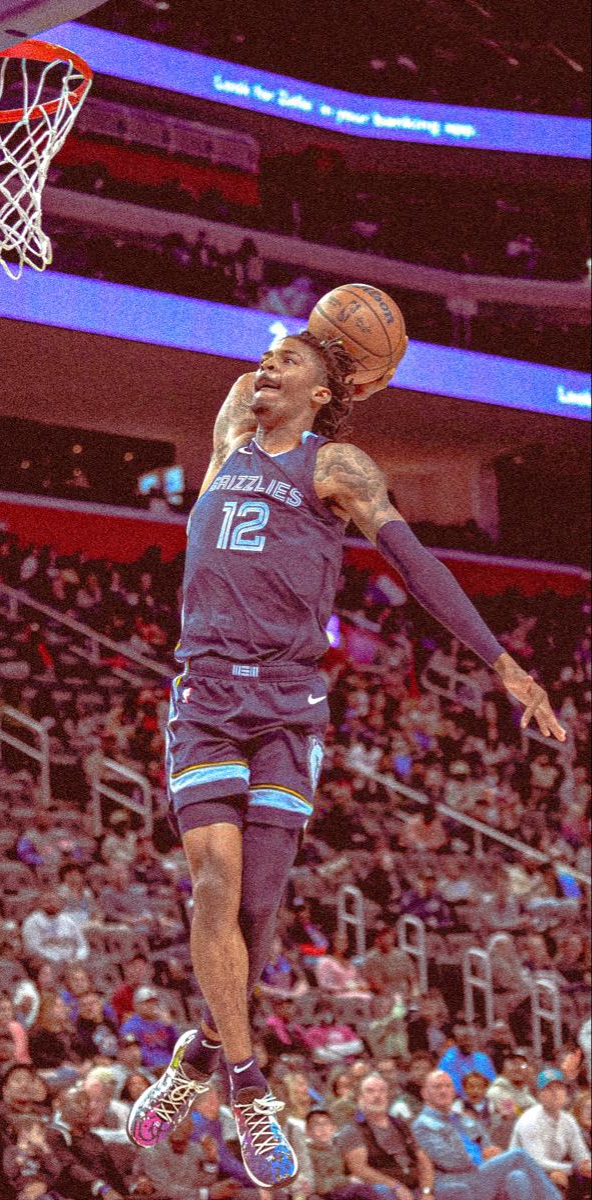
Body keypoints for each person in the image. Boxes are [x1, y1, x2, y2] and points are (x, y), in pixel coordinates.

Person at [126, 329, 566, 1190]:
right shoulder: (227, 434)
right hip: (206, 697)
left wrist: (503, 664)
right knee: (212, 886)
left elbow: (415, 564)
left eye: (287, 362)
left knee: (258, 911)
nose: (266, 366)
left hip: (289, 704)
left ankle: (198, 1055)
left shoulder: (340, 469)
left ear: (324, 391)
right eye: (266, 357)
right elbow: (263, 369)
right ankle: (248, 1089)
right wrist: (308, 338)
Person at [414, 1069, 563, 1200]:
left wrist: (494, 1153)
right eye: (437, 1087)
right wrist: (483, 1159)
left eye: (447, 1086)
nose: (443, 1091)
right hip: (458, 1178)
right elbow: (450, 1161)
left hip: (481, 1174)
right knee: (518, 1155)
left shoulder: (463, 1118)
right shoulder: (423, 1125)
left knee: (518, 1177)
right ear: (424, 1093)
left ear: (453, 1091)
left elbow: (486, 1144)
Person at [336, 1070, 430, 1196]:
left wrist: (427, 1191)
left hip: (415, 1182)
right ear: (359, 1097)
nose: (377, 1095)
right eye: (370, 1091)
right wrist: (396, 1186)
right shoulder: (352, 1130)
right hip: (385, 1188)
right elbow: (359, 1169)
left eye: (381, 1090)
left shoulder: (400, 1124)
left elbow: (423, 1160)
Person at [510, 1068, 591, 1199]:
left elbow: (581, 1154)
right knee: (557, 1177)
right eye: (548, 1089)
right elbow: (536, 1161)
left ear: (566, 1092)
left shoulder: (568, 1120)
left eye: (559, 1088)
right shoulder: (529, 1120)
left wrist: (586, 1165)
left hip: (556, 1169)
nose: (555, 1093)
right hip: (523, 1174)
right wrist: (573, 1168)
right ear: (539, 1094)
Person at [438, 1027, 497, 1096]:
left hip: (483, 1098)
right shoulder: (449, 1059)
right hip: (459, 1100)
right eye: (464, 1039)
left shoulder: (482, 1058)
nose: (468, 1043)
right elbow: (448, 1085)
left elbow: (493, 1082)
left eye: (470, 1039)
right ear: (456, 1041)